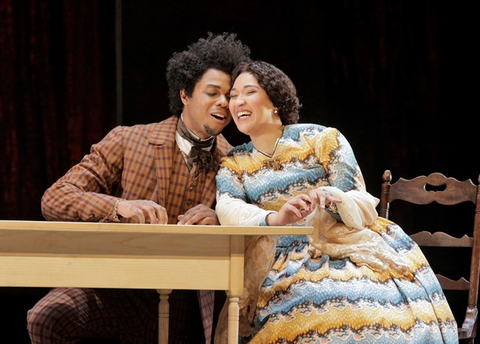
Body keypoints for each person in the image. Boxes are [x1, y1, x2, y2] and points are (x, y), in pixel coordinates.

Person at [26, 32, 251, 344]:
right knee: (47, 317)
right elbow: (56, 197)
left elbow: (258, 230)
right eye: (213, 92)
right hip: (116, 288)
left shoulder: (237, 162)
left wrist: (221, 220)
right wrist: (119, 207)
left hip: (185, 305)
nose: (223, 103)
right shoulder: (128, 140)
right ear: (185, 94)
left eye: (230, 96)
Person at [214, 60, 458, 343]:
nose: (237, 101)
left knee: (377, 311)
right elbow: (228, 206)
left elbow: (360, 199)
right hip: (284, 261)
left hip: (349, 246)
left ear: (275, 99)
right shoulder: (234, 163)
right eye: (233, 95)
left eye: (249, 92)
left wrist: (330, 197)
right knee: (310, 307)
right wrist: (276, 219)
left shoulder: (322, 139)